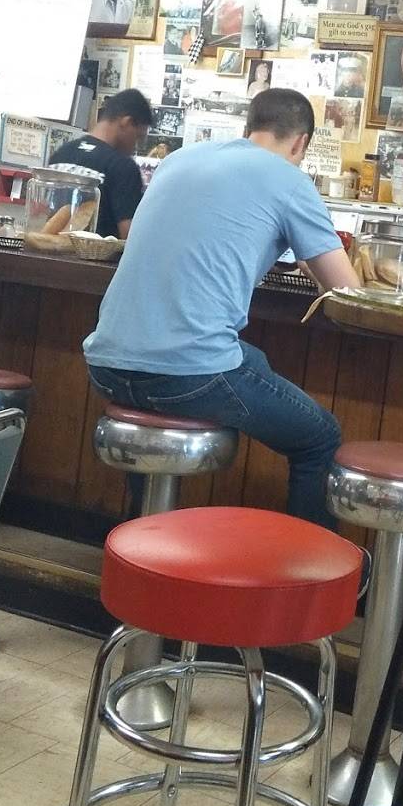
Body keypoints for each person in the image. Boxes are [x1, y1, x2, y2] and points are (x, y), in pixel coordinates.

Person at [83, 88, 360, 530]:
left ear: (250, 127)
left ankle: (143, 541)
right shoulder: (290, 180)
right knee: (320, 437)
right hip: (188, 375)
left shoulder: (179, 160)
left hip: (106, 364)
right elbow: (348, 294)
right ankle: (311, 567)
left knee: (251, 361)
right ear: (301, 142)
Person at [49, 89, 153, 240]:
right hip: (92, 255)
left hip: (49, 251)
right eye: (137, 138)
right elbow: (130, 237)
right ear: (127, 122)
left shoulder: (62, 153)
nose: (134, 148)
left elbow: (42, 214)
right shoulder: (123, 167)